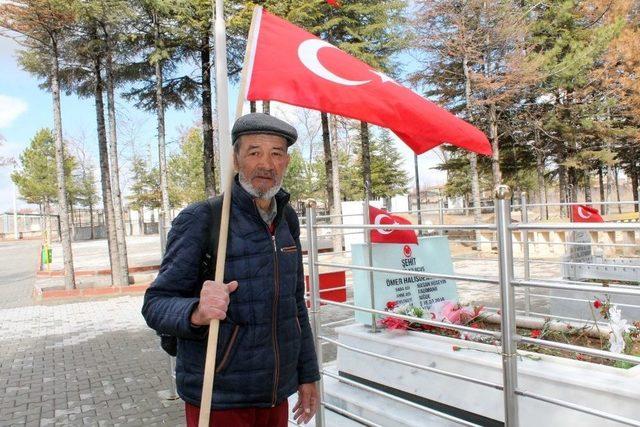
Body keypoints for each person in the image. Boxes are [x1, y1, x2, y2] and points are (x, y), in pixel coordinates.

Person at [142, 113, 320, 427]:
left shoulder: (287, 221)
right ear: (236, 160)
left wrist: (307, 375)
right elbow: (156, 304)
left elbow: (295, 306)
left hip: (275, 395)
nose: (266, 164)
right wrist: (196, 311)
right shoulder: (204, 219)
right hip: (219, 397)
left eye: (276, 154)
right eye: (254, 152)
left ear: (287, 162)